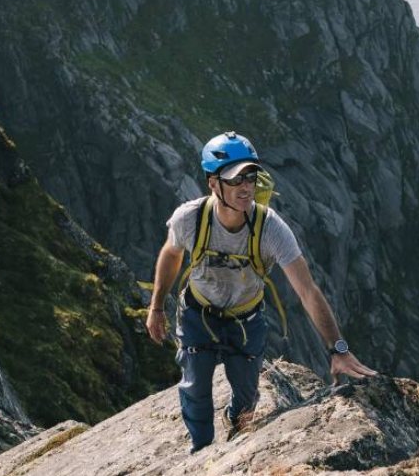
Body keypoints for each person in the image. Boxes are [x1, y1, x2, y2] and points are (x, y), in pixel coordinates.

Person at [146, 131, 376, 452]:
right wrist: (156, 308)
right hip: (199, 317)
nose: (245, 185)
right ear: (213, 183)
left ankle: (235, 440)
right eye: (235, 178)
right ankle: (200, 453)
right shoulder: (190, 219)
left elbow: (307, 290)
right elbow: (171, 255)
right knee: (196, 390)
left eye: (251, 175)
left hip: (246, 321)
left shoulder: (270, 228)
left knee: (245, 402)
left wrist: (337, 349)